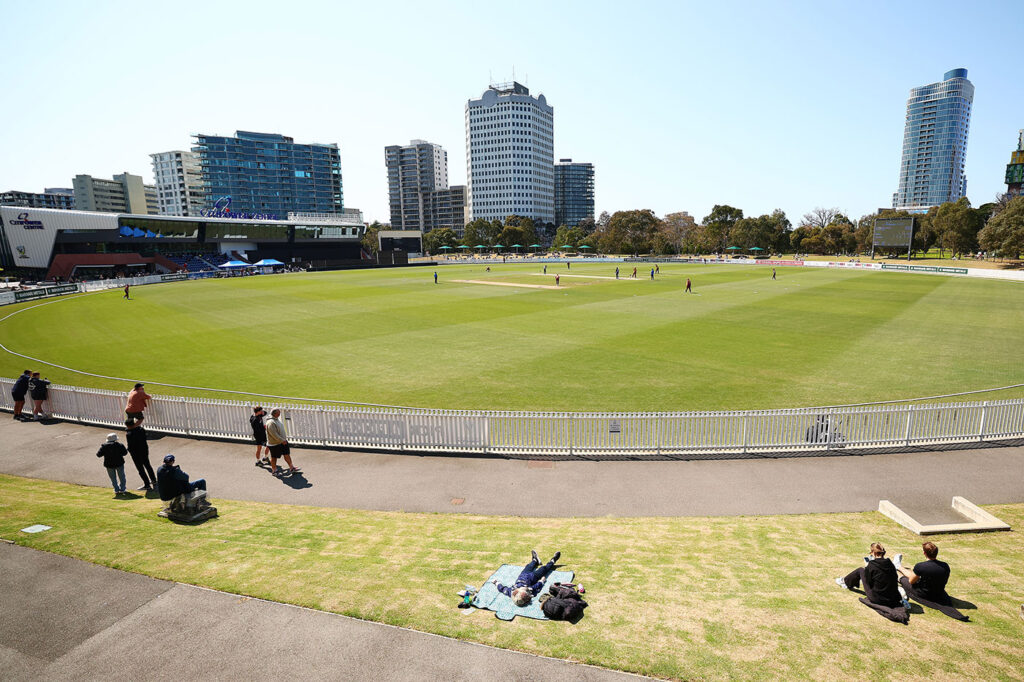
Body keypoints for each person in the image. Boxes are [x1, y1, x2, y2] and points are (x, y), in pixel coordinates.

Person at [836, 542, 908, 615]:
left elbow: (869, 582)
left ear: (873, 553)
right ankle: (846, 581)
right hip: (891, 598)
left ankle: (845, 581)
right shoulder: (890, 564)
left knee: (861, 570)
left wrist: (867, 568)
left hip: (877, 598)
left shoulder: (872, 565)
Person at [491, 550, 561, 606]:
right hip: (534, 576)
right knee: (544, 568)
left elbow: (502, 589)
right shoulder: (529, 591)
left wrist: (496, 583)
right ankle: (553, 560)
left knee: (529, 566)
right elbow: (536, 586)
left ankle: (535, 560)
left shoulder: (510, 592)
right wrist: (542, 581)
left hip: (523, 574)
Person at [265, 408, 298, 476]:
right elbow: (273, 434)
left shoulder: (276, 419)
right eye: (278, 413)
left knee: (287, 454)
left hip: (282, 442)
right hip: (275, 444)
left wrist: (283, 440)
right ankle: (274, 471)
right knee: (274, 457)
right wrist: (282, 440)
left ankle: (291, 468)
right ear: (275, 414)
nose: (280, 414)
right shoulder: (271, 422)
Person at [125, 417, 155, 491]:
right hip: (144, 450)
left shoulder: (129, 434)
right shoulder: (141, 430)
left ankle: (147, 484)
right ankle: (153, 480)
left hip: (136, 453)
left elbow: (130, 445)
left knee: (140, 469)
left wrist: (129, 450)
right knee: (147, 465)